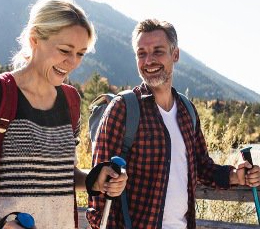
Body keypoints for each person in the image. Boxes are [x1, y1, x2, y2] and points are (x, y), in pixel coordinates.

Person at [0, 0, 127, 229]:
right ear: (35, 38)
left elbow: (60, 175)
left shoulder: (70, 102)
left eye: (80, 53)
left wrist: (94, 179)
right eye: (64, 50)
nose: (73, 62)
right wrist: (2, 227)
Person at [86, 18, 260, 229]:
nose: (148, 60)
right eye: (142, 53)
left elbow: (202, 166)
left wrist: (235, 175)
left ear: (175, 54)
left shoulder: (187, 111)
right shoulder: (123, 108)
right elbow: (98, 186)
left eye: (158, 51)